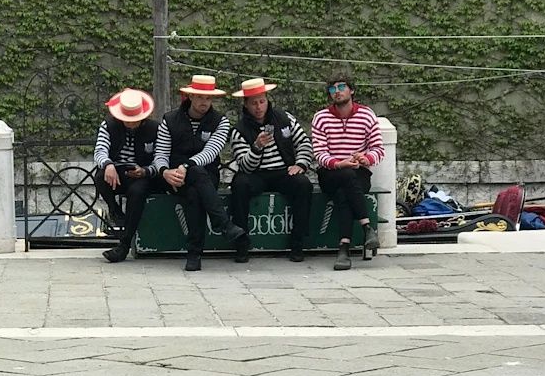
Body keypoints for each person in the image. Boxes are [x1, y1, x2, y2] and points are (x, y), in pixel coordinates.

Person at [153, 74, 246, 272]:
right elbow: (160, 153)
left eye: (208, 98)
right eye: (201, 97)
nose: (205, 102)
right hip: (174, 177)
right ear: (191, 97)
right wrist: (164, 172)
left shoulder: (220, 121)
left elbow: (210, 152)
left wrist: (186, 166)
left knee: (195, 189)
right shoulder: (169, 120)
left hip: (205, 174)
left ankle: (194, 253)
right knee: (193, 184)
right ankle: (222, 224)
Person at [228, 78, 314, 263]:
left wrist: (300, 164)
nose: (259, 107)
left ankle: (298, 242)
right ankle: (241, 242)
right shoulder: (239, 130)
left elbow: (304, 142)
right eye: (254, 103)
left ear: (267, 99)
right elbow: (244, 165)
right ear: (246, 104)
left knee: (303, 184)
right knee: (239, 184)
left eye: (262, 102)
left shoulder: (284, 118)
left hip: (284, 171)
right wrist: (257, 147)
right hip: (256, 175)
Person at [311, 71, 384, 270]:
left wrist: (365, 158)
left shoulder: (366, 115)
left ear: (351, 90)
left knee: (345, 193)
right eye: (333, 89)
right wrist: (340, 163)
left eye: (341, 87)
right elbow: (320, 154)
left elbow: (378, 149)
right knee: (346, 176)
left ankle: (344, 248)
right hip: (330, 173)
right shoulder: (321, 118)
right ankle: (367, 228)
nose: (337, 92)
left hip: (359, 171)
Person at [93, 88, 160, 263]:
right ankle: (114, 210)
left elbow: (160, 158)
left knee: (138, 192)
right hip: (115, 171)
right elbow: (100, 151)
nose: (130, 123)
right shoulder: (108, 125)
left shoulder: (155, 129)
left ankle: (124, 244)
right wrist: (108, 165)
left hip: (142, 174)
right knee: (100, 176)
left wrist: (146, 171)